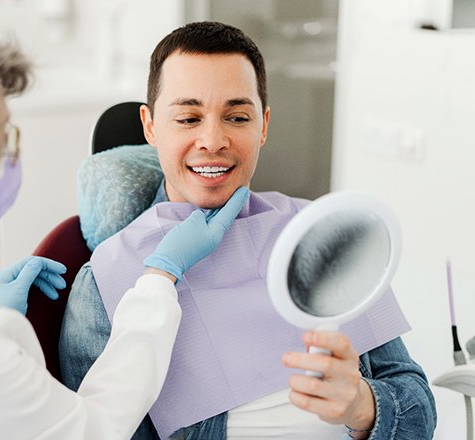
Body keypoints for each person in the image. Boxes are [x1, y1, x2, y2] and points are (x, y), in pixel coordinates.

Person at [0, 4, 249, 439]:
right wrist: (159, 275)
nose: (212, 140)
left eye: (238, 116)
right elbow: (95, 429)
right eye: (0, 140)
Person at [59, 21, 437, 439]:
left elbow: (419, 413)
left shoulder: (324, 238)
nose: (213, 139)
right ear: (150, 126)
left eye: (237, 117)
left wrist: (364, 406)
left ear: (263, 125)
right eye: (188, 118)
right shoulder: (106, 283)